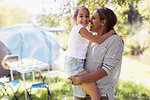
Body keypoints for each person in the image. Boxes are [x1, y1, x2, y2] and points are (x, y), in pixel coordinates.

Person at [69, 7, 124, 100]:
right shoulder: (90, 39)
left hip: (101, 94)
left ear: (103, 22)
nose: (89, 20)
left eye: (93, 18)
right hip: (80, 93)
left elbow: (106, 70)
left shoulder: (114, 40)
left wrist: (81, 79)